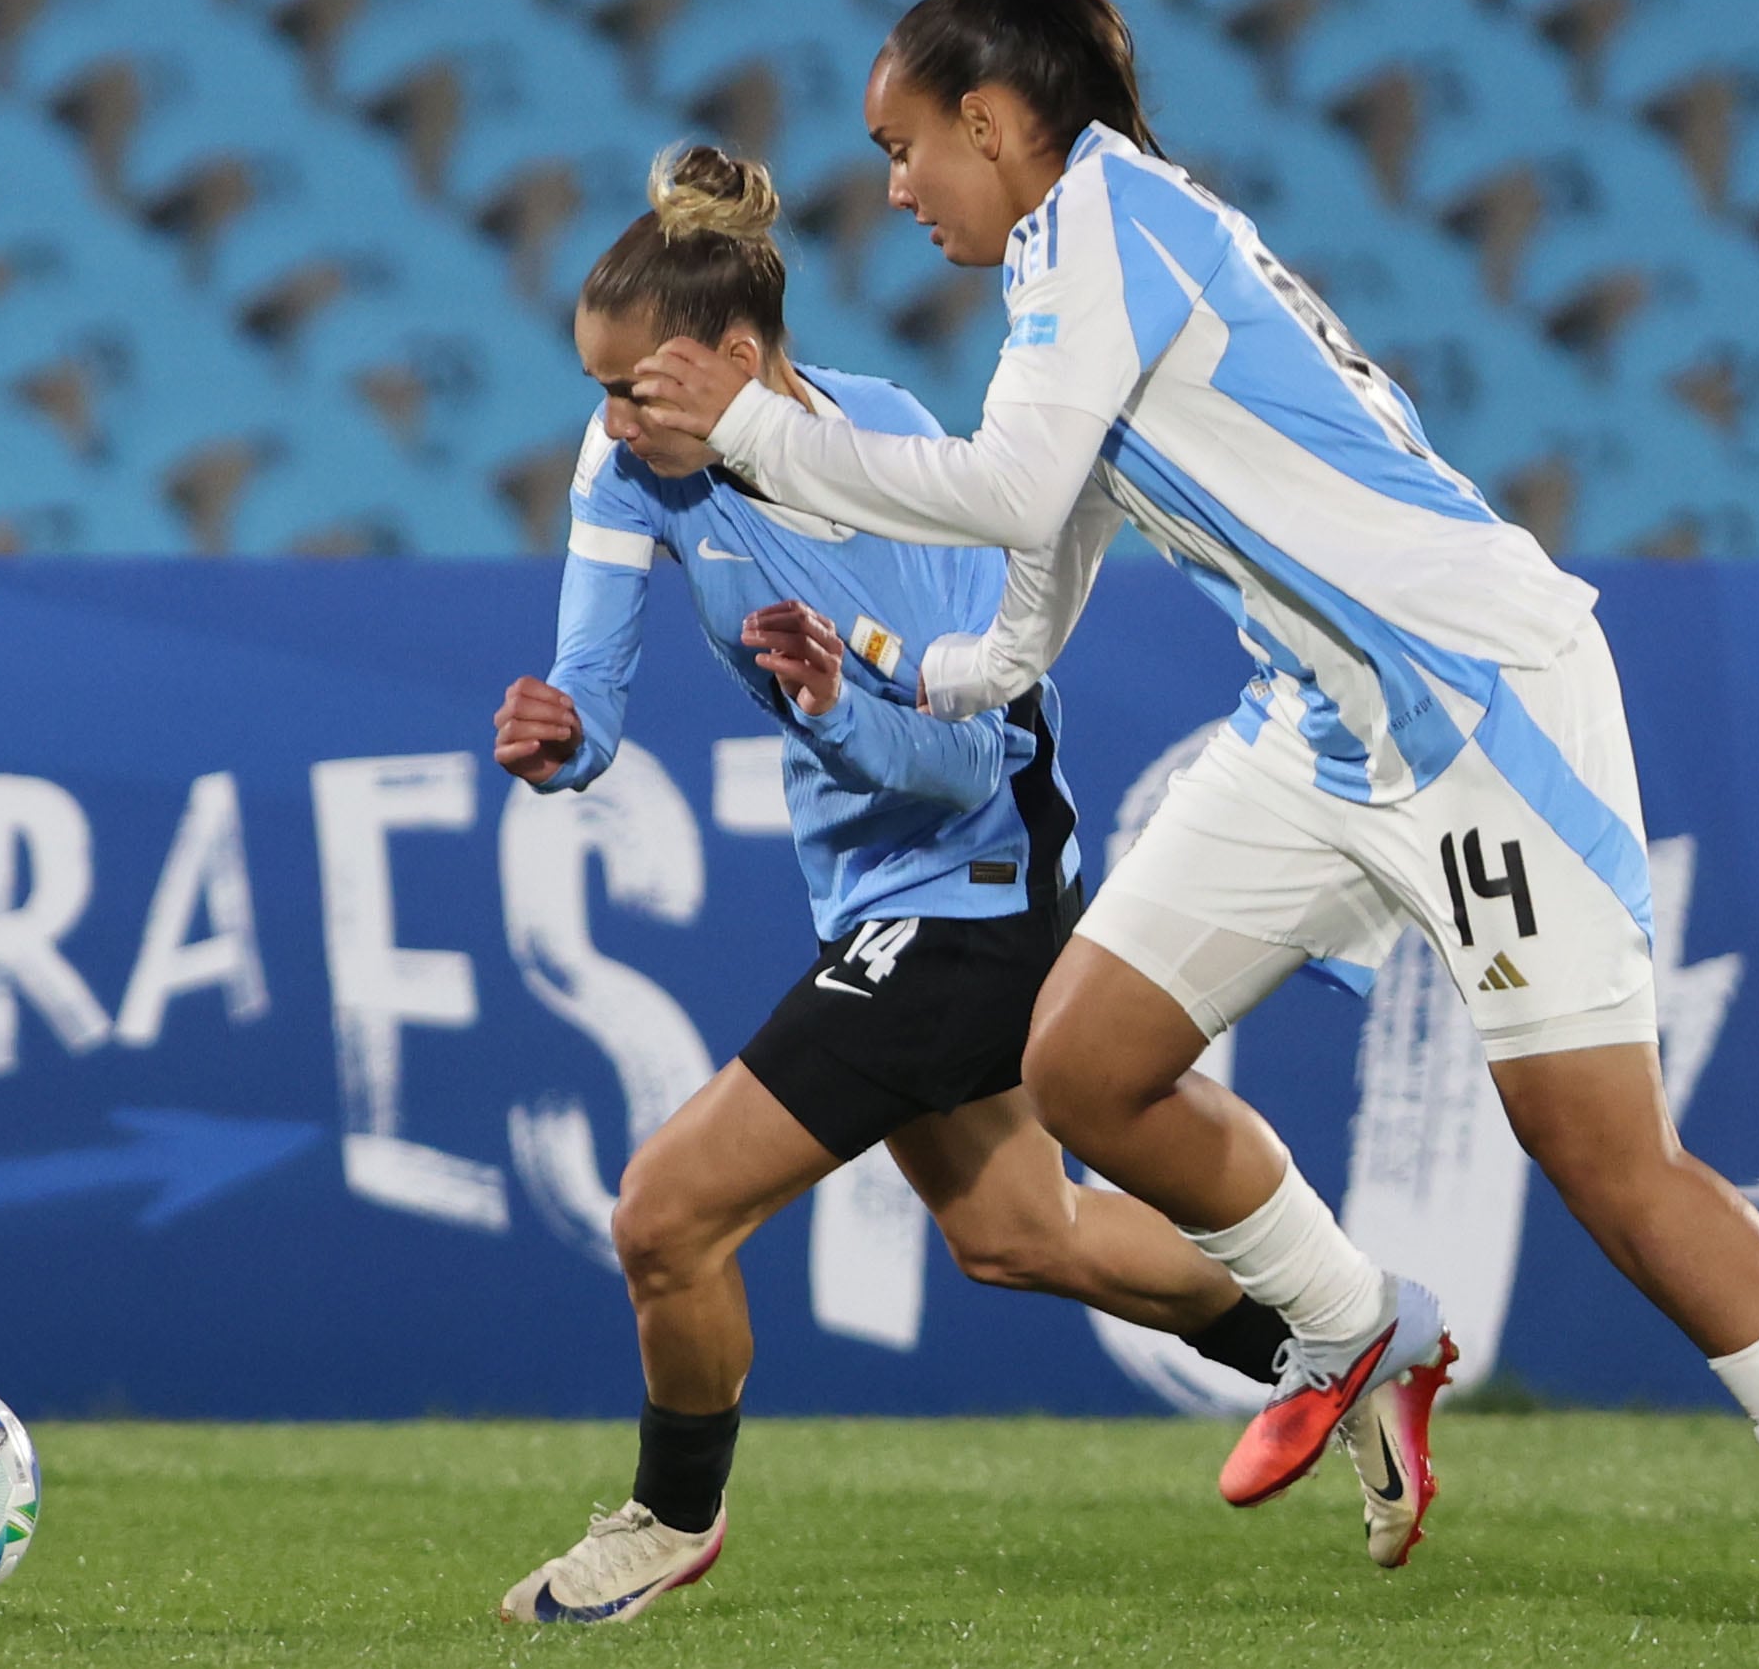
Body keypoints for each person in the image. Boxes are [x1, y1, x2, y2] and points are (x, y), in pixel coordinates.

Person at [629, 0, 1759, 1634]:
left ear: (991, 119)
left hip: (1480, 709)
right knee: (1084, 1062)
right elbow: (1039, 577)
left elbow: (1006, 484)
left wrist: (753, 431)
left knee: (1609, 1159)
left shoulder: (1111, 224)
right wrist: (903, 660)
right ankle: (1359, 1326)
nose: (894, 188)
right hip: (1320, 729)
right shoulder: (1070, 264)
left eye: (906, 145)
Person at [494, 145, 1435, 1628]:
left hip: (977, 886)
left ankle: (669, 1517)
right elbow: (591, 682)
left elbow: (963, 757)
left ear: (735, 361)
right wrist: (560, 738)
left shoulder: (891, 465)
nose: (610, 421)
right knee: (1020, 1235)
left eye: (636, 388)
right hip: (883, 897)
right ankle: (1347, 1343)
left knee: (665, 1216)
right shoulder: (628, 465)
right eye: (600, 388)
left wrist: (823, 707)